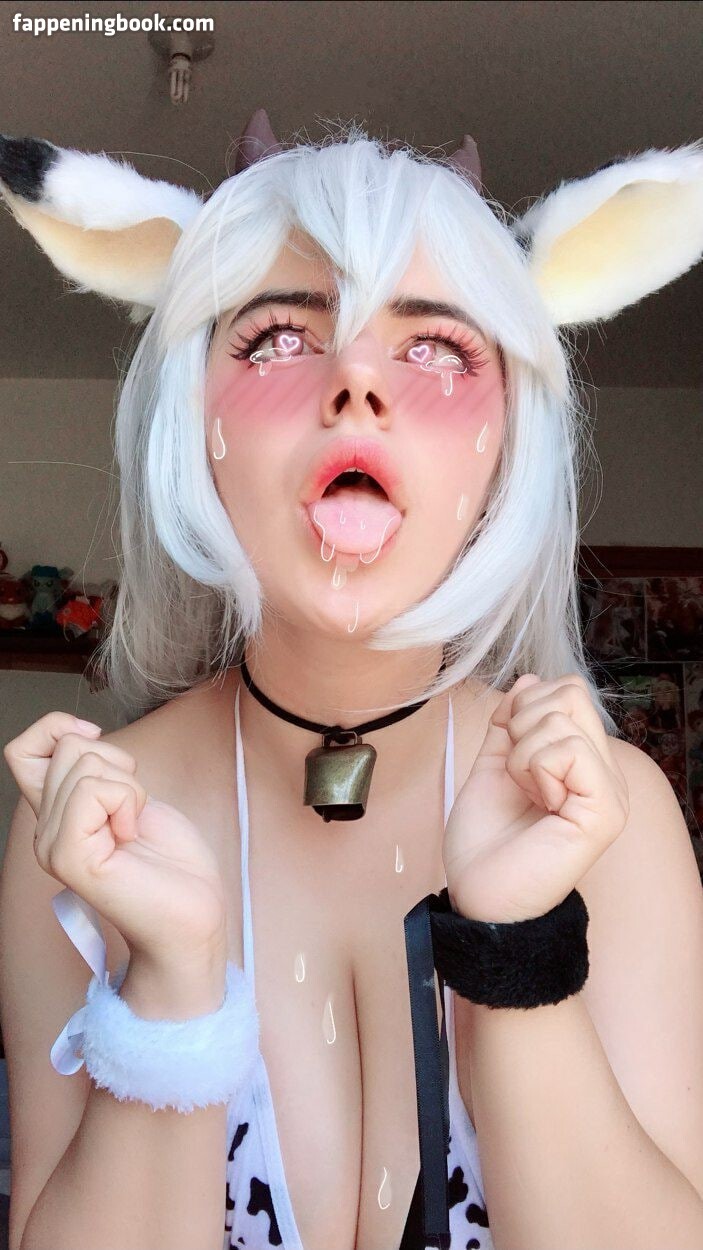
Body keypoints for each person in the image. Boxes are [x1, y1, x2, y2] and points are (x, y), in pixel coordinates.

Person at [1, 114, 703, 1250]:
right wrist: (168, 986)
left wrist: (515, 950)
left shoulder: (609, 820)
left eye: (435, 349)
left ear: (507, 440)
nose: (356, 385)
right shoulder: (83, 832)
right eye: (281, 336)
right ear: (191, 410)